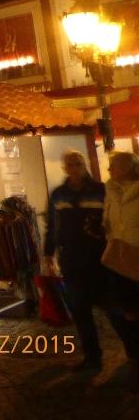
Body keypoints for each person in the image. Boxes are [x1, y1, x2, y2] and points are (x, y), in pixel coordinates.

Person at [43, 150, 110, 371]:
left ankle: (133, 351)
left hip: (98, 258)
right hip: (71, 259)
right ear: (64, 168)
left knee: (112, 306)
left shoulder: (101, 190)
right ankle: (92, 356)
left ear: (85, 164)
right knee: (80, 311)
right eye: (69, 164)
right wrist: (48, 253)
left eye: (78, 163)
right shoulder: (58, 195)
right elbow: (52, 225)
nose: (74, 167)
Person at [102, 150, 139, 388]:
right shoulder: (110, 191)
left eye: (114, 165)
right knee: (125, 314)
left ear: (128, 167)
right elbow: (110, 223)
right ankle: (134, 361)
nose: (109, 170)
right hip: (118, 259)